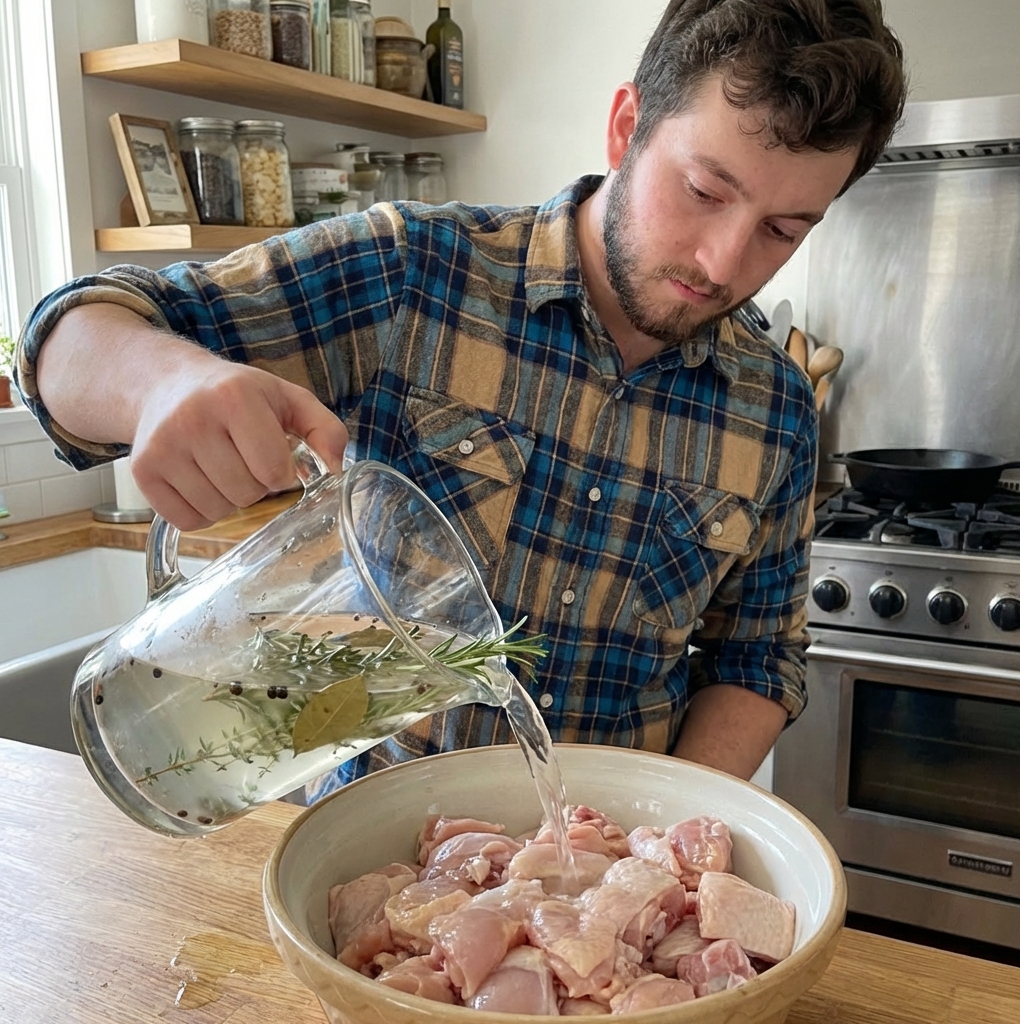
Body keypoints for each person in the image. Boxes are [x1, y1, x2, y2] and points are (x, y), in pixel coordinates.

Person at [14, 0, 905, 798]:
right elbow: (63, 343)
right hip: (370, 858)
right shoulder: (415, 276)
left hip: (599, 880)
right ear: (627, 124)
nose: (723, 263)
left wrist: (655, 833)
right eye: (705, 190)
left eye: (785, 231)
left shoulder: (777, 407)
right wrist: (165, 379)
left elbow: (760, 657)